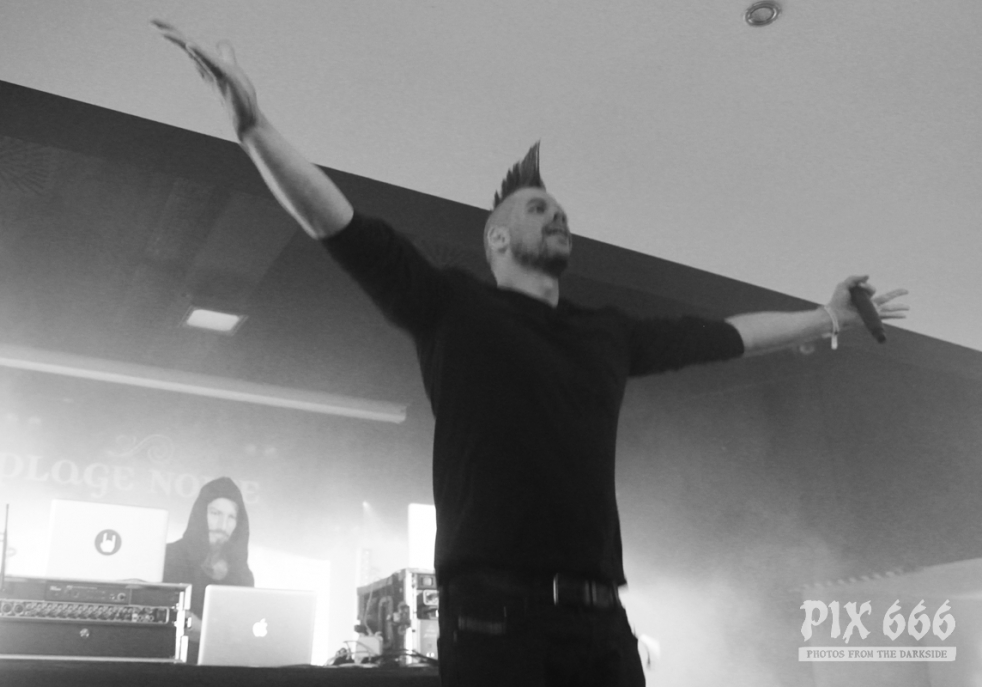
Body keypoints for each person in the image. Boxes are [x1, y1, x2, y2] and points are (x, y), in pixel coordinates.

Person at [153, 23, 908, 686]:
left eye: (561, 211)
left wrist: (826, 316)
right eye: (538, 208)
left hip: (602, 621)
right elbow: (342, 226)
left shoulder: (606, 332)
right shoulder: (452, 305)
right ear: (498, 237)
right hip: (494, 620)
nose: (557, 216)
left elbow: (726, 335)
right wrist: (254, 128)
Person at [163, 476, 254, 661]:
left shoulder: (242, 575)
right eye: (215, 513)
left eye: (231, 517)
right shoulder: (169, 556)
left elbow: (243, 633)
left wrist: (205, 633)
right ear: (200, 514)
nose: (222, 526)